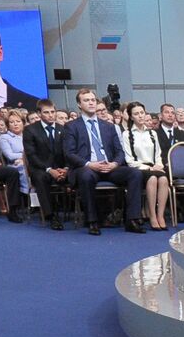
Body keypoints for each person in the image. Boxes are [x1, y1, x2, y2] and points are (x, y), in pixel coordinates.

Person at [61, 87, 145, 235]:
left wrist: (115, 164)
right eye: (86, 100)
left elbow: (119, 151)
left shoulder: (108, 126)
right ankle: (92, 221)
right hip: (87, 167)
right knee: (86, 176)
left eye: (93, 100)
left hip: (109, 167)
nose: (91, 103)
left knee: (135, 174)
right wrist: (89, 164)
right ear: (79, 105)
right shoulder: (71, 126)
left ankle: (132, 219)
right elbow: (69, 153)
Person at [22, 99, 70, 231]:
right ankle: (51, 216)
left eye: (53, 112)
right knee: (41, 178)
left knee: (81, 173)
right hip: (41, 168)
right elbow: (31, 156)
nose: (51, 115)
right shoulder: (30, 130)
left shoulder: (63, 129)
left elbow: (68, 152)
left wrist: (65, 169)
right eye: (46, 112)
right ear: (39, 113)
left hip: (61, 168)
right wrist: (49, 170)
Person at [123, 105, 170, 230]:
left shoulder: (153, 133)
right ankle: (152, 216)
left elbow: (158, 154)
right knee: (153, 178)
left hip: (154, 166)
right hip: (139, 168)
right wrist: (148, 168)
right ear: (131, 117)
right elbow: (129, 160)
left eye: (142, 112)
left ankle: (161, 216)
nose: (140, 116)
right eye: (136, 113)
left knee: (164, 179)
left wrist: (158, 165)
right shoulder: (127, 134)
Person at [0, 110, 30, 198]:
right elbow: (10, 155)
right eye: (12, 122)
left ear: (23, 122)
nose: (15, 124)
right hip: (14, 165)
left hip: (28, 162)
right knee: (23, 168)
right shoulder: (4, 137)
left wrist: (24, 159)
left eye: (18, 121)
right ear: (8, 125)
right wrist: (25, 157)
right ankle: (28, 195)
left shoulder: (29, 135)